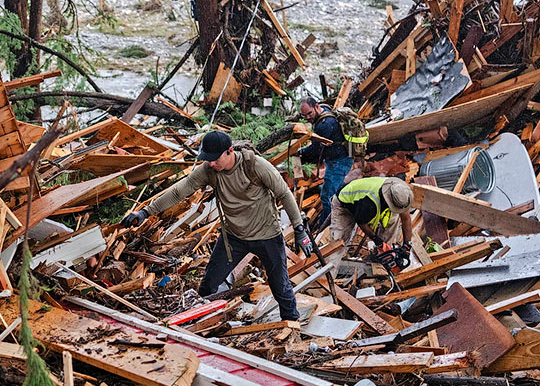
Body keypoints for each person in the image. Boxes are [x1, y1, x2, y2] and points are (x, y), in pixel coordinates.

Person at [123, 131, 310, 321]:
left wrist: (299, 228)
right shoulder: (209, 170)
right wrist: (145, 212)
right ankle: (203, 324)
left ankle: (291, 325)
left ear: (229, 151)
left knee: (281, 286)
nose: (211, 163)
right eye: (208, 159)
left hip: (267, 235)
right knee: (209, 285)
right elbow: (180, 191)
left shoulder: (254, 165)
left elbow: (284, 193)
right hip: (233, 238)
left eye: (215, 159)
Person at [298, 96, 354, 231]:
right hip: (339, 159)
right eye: (304, 116)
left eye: (309, 114)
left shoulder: (325, 125)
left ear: (317, 106)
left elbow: (315, 151)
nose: (308, 118)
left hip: (338, 162)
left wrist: (299, 153)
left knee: (327, 197)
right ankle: (347, 217)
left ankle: (325, 229)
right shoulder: (325, 110)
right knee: (339, 192)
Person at [330, 177, 413, 260]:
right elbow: (362, 223)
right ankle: (330, 270)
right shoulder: (369, 203)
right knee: (338, 244)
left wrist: (407, 245)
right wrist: (377, 241)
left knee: (393, 220)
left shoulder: (401, 193)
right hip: (345, 204)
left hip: (368, 204)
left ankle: (383, 259)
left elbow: (406, 218)